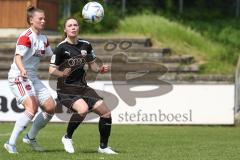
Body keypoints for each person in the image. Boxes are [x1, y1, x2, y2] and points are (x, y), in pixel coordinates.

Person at [49, 17, 118, 154]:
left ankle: (103, 147)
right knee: (83, 109)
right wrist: (62, 73)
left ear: (78, 28)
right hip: (65, 88)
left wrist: (100, 69)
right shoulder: (61, 48)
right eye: (70, 25)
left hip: (82, 87)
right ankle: (67, 137)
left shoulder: (86, 45)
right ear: (65, 30)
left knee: (106, 113)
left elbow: (93, 66)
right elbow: (51, 70)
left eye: (75, 25)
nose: (73, 27)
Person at [4, 7, 56, 154]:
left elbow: (52, 56)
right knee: (31, 108)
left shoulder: (43, 38)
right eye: (40, 18)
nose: (43, 21)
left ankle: (30, 137)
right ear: (31, 20)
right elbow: (17, 57)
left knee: (50, 107)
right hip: (19, 76)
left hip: (32, 77)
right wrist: (22, 69)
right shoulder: (26, 36)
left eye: (44, 18)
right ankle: (10, 143)